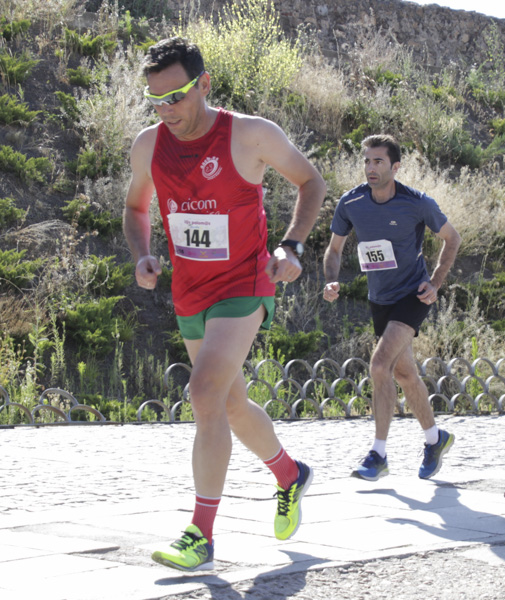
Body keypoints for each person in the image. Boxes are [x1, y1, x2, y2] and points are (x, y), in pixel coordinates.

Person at [123, 37, 326, 572]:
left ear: (205, 84)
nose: (167, 110)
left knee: (203, 391)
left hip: (245, 284)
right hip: (190, 290)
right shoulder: (149, 145)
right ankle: (288, 473)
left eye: (178, 96)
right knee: (229, 405)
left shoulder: (250, 134)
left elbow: (311, 181)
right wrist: (143, 254)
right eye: (157, 100)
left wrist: (292, 245)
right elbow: (134, 207)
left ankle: (201, 534)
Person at [322, 135, 462, 482]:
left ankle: (378, 454)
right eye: (367, 161)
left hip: (412, 294)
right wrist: (330, 278)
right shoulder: (351, 202)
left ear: (395, 167)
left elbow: (452, 238)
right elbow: (334, 248)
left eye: (378, 162)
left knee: (380, 365)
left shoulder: (416, 203)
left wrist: (436, 282)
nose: (371, 168)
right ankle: (435, 438)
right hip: (379, 298)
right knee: (403, 373)